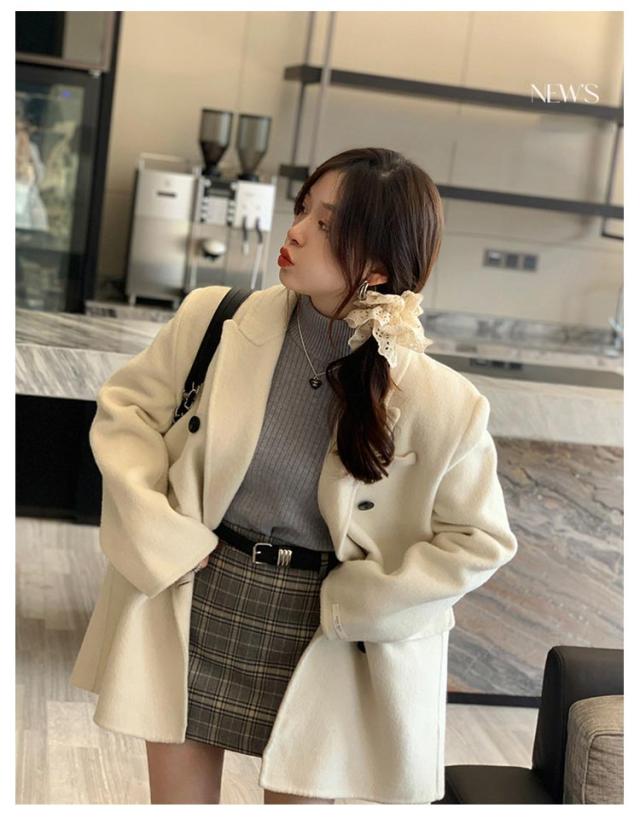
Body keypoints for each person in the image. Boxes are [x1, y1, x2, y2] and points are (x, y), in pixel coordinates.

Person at [70, 146, 518, 805]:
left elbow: (480, 539)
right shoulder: (216, 319)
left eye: (327, 224)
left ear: (379, 265)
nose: (297, 230)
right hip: (196, 591)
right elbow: (125, 412)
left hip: (322, 630)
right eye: (303, 208)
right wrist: (161, 535)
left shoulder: (443, 402)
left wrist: (366, 600)